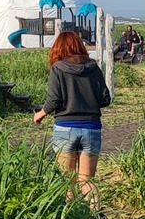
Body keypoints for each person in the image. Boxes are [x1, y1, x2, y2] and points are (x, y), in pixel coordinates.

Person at [33, 31, 111, 206]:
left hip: (65, 128)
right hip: (92, 128)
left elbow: (54, 100)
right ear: (79, 45)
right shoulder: (94, 68)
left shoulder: (58, 69)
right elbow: (105, 99)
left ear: (58, 48)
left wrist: (40, 114)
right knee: (87, 181)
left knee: (68, 182)